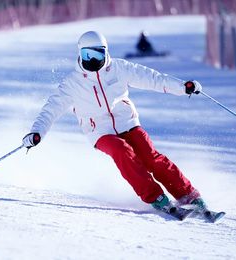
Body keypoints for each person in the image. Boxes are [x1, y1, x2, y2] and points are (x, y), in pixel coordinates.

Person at [22, 31, 206, 214]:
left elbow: (153, 79)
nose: (93, 60)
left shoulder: (119, 68)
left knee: (150, 156)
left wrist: (183, 87)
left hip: (127, 122)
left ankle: (187, 195)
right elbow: (51, 109)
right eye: (88, 55)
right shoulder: (73, 83)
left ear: (106, 52)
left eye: (98, 54)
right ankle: (155, 197)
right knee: (121, 151)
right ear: (80, 54)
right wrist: (37, 132)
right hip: (99, 131)